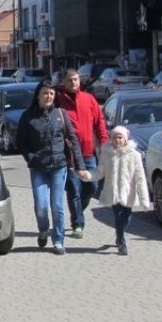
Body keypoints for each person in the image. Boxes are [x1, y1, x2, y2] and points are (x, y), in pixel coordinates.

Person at [17, 79, 87, 255]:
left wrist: (80, 165)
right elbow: (21, 142)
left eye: (51, 93)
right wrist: (30, 157)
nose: (48, 96)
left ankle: (58, 240)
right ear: (38, 95)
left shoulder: (61, 114)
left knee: (57, 205)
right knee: (41, 205)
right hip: (38, 168)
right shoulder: (28, 116)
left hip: (59, 166)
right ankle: (43, 229)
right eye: (45, 93)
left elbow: (72, 140)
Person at [82, 126, 150, 255]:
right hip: (114, 192)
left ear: (125, 139)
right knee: (118, 216)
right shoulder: (107, 154)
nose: (117, 140)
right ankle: (121, 241)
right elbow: (99, 172)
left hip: (129, 193)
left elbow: (140, 178)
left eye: (120, 138)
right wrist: (87, 175)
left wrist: (144, 200)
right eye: (114, 138)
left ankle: (120, 233)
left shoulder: (134, 155)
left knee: (127, 217)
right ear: (111, 139)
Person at [57, 69, 109, 239]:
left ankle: (78, 211)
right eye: (70, 80)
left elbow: (99, 121)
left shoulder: (89, 99)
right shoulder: (59, 103)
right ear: (64, 83)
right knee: (74, 190)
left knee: (92, 186)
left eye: (76, 79)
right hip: (69, 155)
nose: (73, 83)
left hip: (88, 153)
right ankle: (77, 223)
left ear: (79, 81)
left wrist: (104, 141)